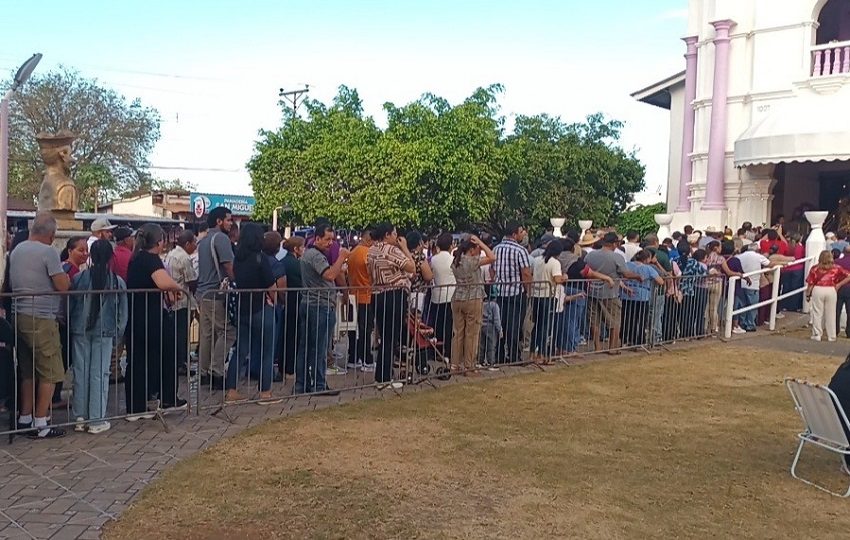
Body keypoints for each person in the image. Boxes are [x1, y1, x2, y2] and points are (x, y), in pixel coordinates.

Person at [10, 213, 71, 438]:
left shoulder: (17, 250)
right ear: (51, 235)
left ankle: (25, 417)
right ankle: (41, 422)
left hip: (19, 313)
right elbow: (62, 285)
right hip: (41, 317)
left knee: (28, 370)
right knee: (50, 370)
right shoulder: (48, 252)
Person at [125, 223, 186, 419]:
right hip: (149, 316)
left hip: (138, 314)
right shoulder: (150, 259)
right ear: (159, 242)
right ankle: (165, 397)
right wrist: (178, 288)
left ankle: (138, 405)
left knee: (139, 360)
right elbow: (163, 281)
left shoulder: (136, 258)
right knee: (161, 356)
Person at [70, 240, 128, 434]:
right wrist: (118, 334)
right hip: (105, 331)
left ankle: (80, 417)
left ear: (91, 256)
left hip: (80, 329)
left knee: (80, 372)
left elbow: (71, 305)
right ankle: (96, 418)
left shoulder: (79, 278)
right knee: (100, 374)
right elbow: (123, 313)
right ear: (111, 257)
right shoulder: (117, 281)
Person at [228, 223, 278, 403]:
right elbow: (271, 285)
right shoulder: (260, 258)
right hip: (261, 307)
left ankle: (231, 390)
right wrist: (274, 301)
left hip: (243, 308)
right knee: (267, 350)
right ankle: (265, 392)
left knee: (240, 350)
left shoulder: (238, 259)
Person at [296, 223, 349, 394]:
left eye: (332, 240)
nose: (330, 243)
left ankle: (303, 383)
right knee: (319, 347)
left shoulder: (309, 254)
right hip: (319, 305)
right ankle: (318, 384)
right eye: (327, 239)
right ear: (317, 238)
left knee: (307, 346)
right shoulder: (316, 256)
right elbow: (330, 275)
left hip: (312, 303)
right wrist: (341, 257)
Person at [367, 222, 415, 388]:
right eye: (394, 233)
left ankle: (381, 375)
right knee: (391, 337)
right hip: (393, 294)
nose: (396, 237)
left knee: (384, 337)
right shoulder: (391, 250)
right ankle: (385, 378)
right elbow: (411, 267)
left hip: (378, 294)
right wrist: (405, 248)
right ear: (387, 235)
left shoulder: (372, 250)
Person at [196, 207, 236, 389]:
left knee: (207, 334)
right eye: (228, 220)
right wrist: (237, 282)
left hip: (203, 293)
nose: (230, 223)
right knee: (228, 332)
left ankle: (204, 372)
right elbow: (228, 266)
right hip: (216, 293)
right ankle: (216, 371)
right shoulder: (221, 238)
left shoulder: (204, 240)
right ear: (219, 221)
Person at [584, 232, 642, 353]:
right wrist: (638, 276)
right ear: (614, 243)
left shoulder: (591, 255)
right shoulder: (617, 257)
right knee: (614, 321)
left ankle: (597, 347)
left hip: (592, 291)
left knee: (594, 321)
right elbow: (626, 274)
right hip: (610, 292)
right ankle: (612, 347)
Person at [450, 235, 496, 374]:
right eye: (477, 248)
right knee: (472, 333)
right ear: (471, 249)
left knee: (458, 333)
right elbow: (492, 257)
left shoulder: (456, 261)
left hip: (458, 297)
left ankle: (455, 364)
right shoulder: (472, 261)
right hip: (473, 297)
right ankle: (469, 365)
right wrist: (481, 243)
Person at [491, 222, 532, 364]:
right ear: (514, 234)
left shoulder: (496, 249)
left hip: (500, 292)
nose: (522, 235)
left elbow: (492, 270)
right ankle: (514, 355)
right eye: (521, 232)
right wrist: (528, 290)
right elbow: (525, 273)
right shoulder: (520, 250)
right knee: (514, 325)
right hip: (516, 292)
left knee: (500, 324)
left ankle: (499, 355)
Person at [164, 230, 198, 378]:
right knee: (182, 334)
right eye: (194, 243)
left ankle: (178, 361)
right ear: (187, 243)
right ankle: (181, 363)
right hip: (182, 300)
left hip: (172, 300)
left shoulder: (171, 254)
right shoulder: (184, 257)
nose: (195, 246)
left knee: (176, 334)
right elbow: (191, 280)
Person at [529, 239, 566, 362]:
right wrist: (565, 277)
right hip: (548, 296)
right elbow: (557, 279)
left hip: (536, 295)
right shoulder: (555, 263)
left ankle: (532, 353)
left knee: (537, 325)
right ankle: (542, 354)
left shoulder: (537, 260)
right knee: (545, 326)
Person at [620, 249, 664, 346]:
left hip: (626, 295)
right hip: (642, 296)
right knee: (641, 320)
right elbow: (660, 281)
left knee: (627, 318)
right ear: (647, 259)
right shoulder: (648, 268)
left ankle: (625, 339)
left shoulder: (627, 265)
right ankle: (639, 340)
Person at [347, 228, 375, 372]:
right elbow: (371, 274)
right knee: (365, 330)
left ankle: (353, 357)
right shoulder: (367, 253)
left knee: (353, 329)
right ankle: (366, 359)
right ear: (369, 239)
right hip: (366, 295)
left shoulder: (353, 252)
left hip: (353, 294)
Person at [806, 250, 850, 342]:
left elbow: (811, 283)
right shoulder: (836, 268)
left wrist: (808, 294)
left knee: (817, 313)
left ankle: (817, 334)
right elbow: (848, 276)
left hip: (818, 289)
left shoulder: (815, 268)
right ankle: (832, 336)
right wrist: (839, 284)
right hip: (831, 289)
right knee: (831, 313)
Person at [280, 236, 305, 378]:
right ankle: (291, 366)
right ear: (296, 249)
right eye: (302, 247)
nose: (304, 249)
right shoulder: (297, 264)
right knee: (294, 335)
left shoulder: (283, 261)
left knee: (286, 334)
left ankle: (284, 365)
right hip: (296, 301)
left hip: (287, 301)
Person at [429, 233, 456, 360]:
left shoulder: (433, 259)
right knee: (448, 326)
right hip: (450, 296)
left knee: (438, 325)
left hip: (436, 296)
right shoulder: (452, 260)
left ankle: (437, 351)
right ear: (451, 245)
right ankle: (447, 353)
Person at [734, 243, 772, 332]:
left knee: (742, 305)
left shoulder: (740, 256)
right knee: (752, 305)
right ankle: (750, 324)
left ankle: (742, 323)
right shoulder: (758, 256)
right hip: (753, 284)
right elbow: (769, 264)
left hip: (742, 284)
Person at [679, 247, 709, 338]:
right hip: (689, 290)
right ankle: (693, 333)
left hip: (679, 289)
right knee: (692, 313)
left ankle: (684, 333)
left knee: (683, 313)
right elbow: (704, 274)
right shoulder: (694, 263)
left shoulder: (677, 260)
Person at [406, 230, 434, 312]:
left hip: (406, 292)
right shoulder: (419, 256)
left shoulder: (404, 255)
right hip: (418, 293)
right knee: (417, 317)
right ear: (419, 242)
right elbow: (428, 276)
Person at [478, 285, 502, 368]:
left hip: (481, 326)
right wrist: (500, 330)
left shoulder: (481, 304)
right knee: (491, 345)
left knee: (481, 345)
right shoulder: (494, 306)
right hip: (491, 327)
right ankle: (491, 362)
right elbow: (497, 319)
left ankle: (479, 361)